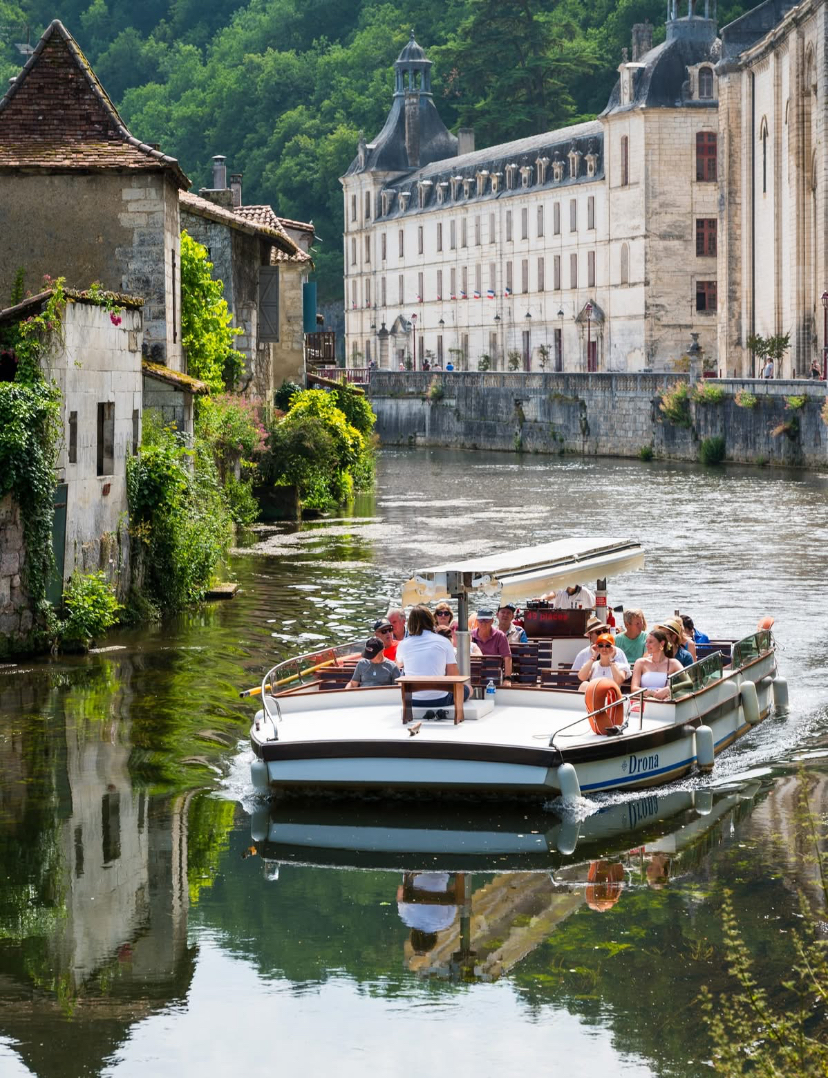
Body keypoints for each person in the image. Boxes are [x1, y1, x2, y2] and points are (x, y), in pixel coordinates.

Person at [395, 604, 470, 710]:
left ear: (410, 624)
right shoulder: (444, 641)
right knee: (468, 688)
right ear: (431, 620)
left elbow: (398, 665)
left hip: (412, 700)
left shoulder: (403, 644)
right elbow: (454, 676)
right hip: (440, 700)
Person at [630, 629, 683, 701]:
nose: (647, 645)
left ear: (662, 643)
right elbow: (634, 689)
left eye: (651, 642)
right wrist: (651, 693)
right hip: (645, 702)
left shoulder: (673, 663)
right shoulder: (640, 662)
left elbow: (689, 682)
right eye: (646, 642)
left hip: (665, 703)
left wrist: (668, 689)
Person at [471, 609, 512, 683]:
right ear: (477, 621)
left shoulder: (500, 636)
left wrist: (507, 679)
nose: (483, 623)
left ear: (492, 621)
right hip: (475, 674)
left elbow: (507, 658)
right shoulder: (470, 635)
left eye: (486, 620)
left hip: (494, 674)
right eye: (481, 620)